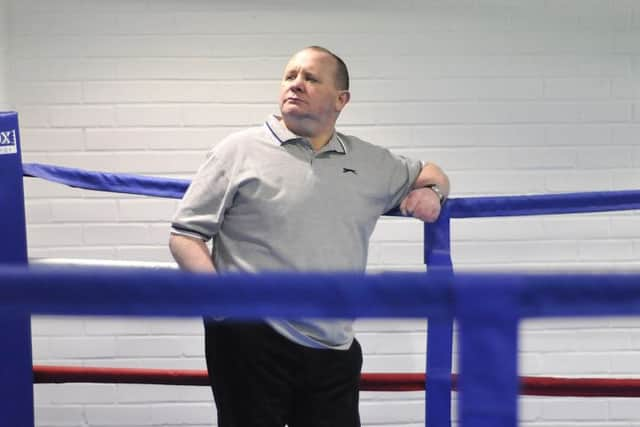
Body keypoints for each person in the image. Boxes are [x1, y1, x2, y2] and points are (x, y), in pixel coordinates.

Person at [169, 46, 450, 427]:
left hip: (333, 342)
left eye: (310, 78)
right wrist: (224, 306)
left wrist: (432, 193)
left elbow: (432, 171)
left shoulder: (369, 161)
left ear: (341, 99)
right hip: (250, 337)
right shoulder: (238, 150)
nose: (296, 85)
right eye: (290, 76)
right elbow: (185, 234)